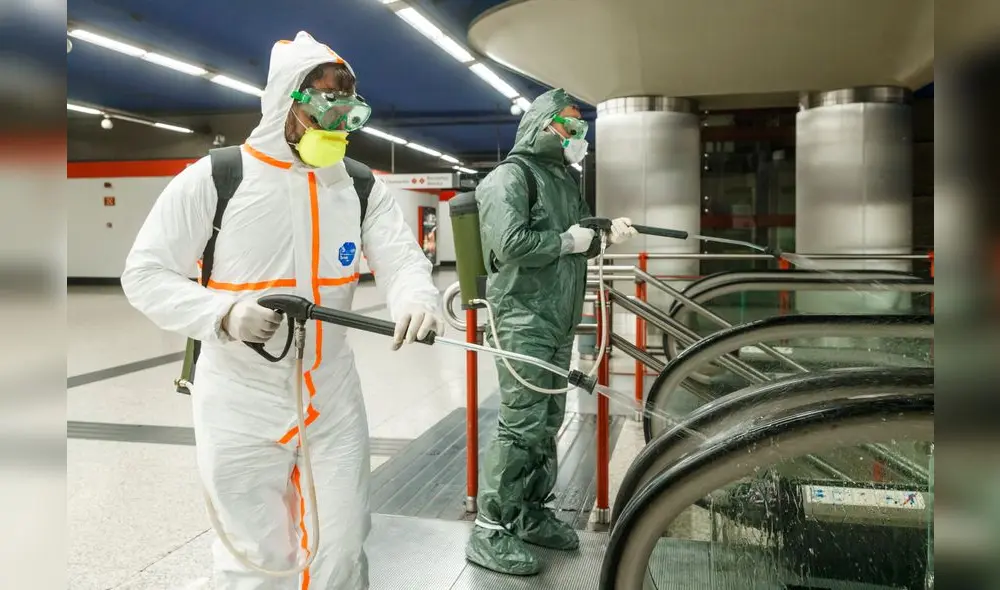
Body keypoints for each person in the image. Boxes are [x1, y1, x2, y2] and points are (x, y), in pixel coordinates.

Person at [121, 31, 443, 589]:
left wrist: (416, 295)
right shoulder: (218, 178)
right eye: (325, 109)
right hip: (238, 398)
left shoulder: (358, 186)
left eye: (347, 113)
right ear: (285, 103)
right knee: (256, 557)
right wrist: (223, 313)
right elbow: (144, 273)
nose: (336, 127)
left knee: (343, 545)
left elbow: (401, 257)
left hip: (331, 395)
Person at [465, 88, 637, 575]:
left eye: (582, 127)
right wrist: (568, 241)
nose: (579, 135)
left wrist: (601, 236)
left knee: (546, 423)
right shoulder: (510, 177)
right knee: (520, 426)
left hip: (558, 319)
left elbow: (575, 241)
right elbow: (511, 244)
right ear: (544, 126)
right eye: (571, 126)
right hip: (522, 319)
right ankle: (489, 529)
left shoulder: (563, 179)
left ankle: (530, 512)